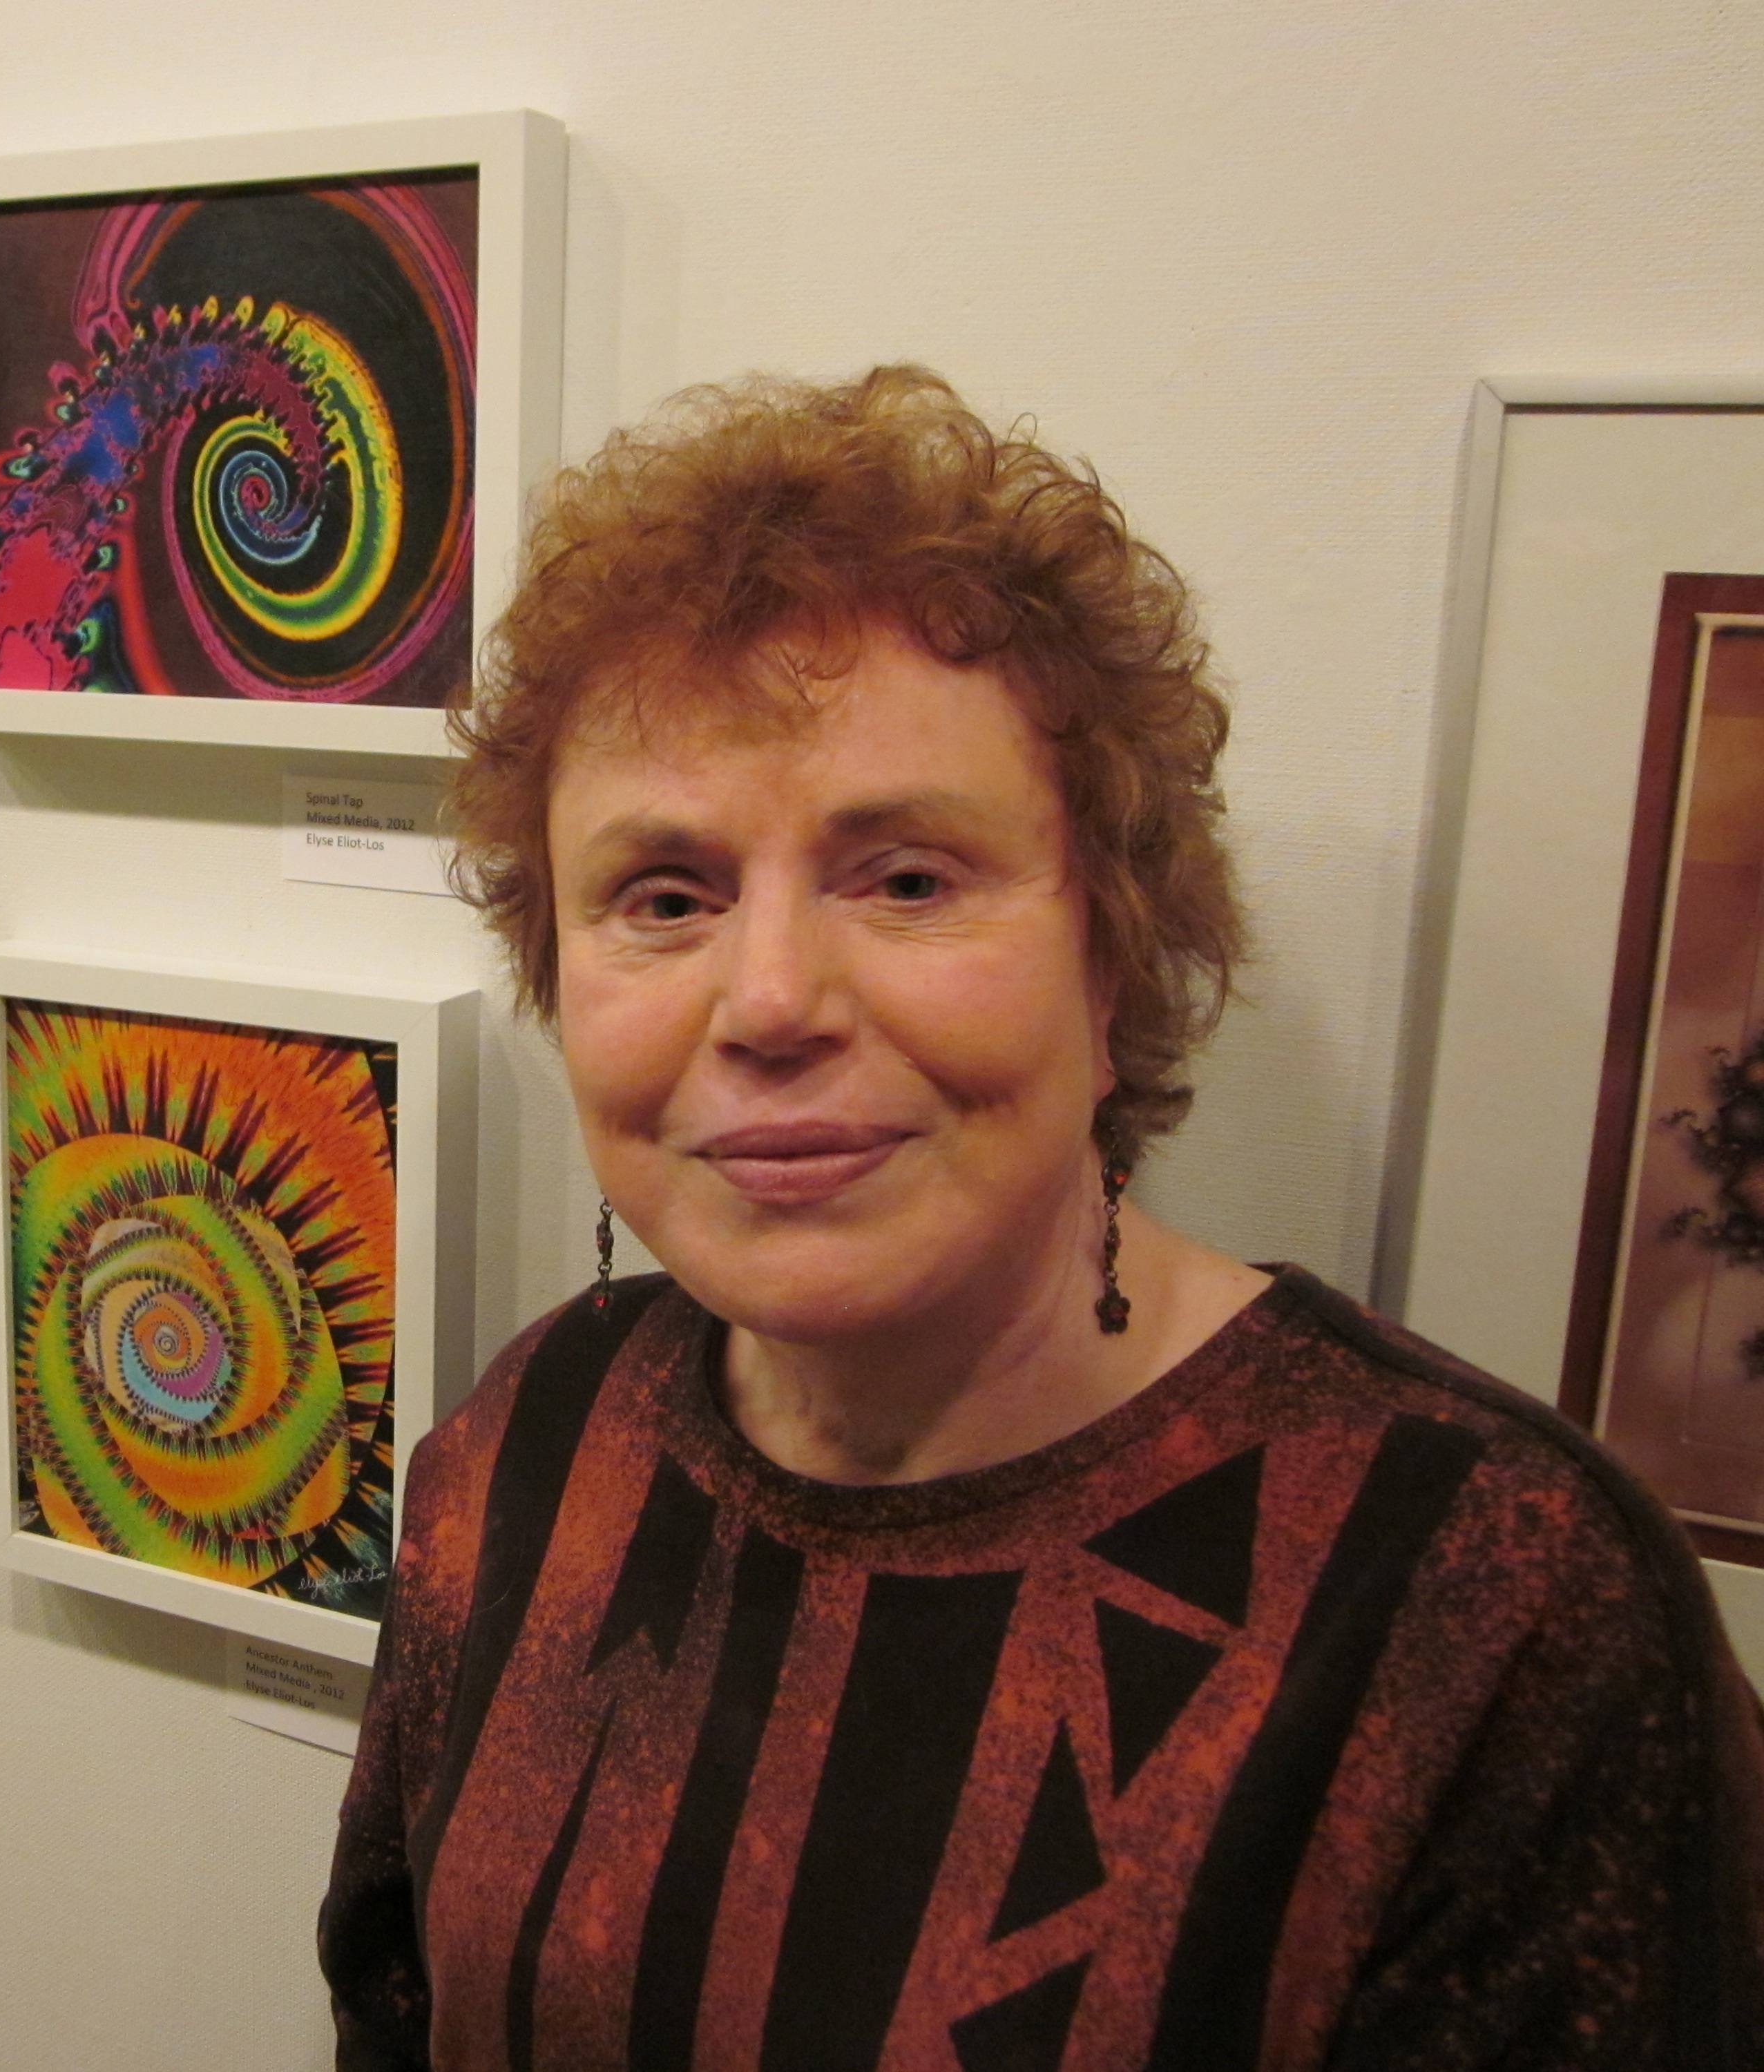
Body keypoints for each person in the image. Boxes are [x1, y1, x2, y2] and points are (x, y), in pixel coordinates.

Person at [318, 367, 1764, 2071]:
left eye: (907, 878)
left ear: (1113, 944)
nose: (768, 998)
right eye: (664, 897)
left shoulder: (1492, 1606)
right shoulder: (528, 1453)